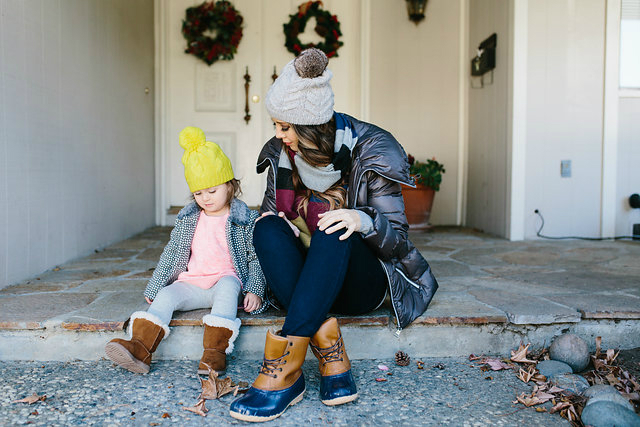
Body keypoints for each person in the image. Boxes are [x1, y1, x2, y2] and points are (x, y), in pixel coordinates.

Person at [229, 48, 438, 422]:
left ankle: (282, 373)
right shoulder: (281, 154)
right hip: (306, 282)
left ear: (309, 126)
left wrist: (362, 220)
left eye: (285, 127)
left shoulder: (371, 148)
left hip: (361, 279)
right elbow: (269, 211)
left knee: (334, 225)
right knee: (267, 227)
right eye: (277, 126)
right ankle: (330, 351)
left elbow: (400, 241)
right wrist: (279, 220)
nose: (278, 136)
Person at [105, 126, 267, 375]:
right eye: (198, 193)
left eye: (213, 191)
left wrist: (255, 289)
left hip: (226, 280)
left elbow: (255, 257)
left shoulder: (242, 219)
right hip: (193, 282)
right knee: (167, 296)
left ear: (230, 186)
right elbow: (171, 253)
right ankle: (140, 349)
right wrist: (156, 286)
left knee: (225, 293)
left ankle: (214, 354)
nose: (206, 198)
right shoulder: (188, 219)